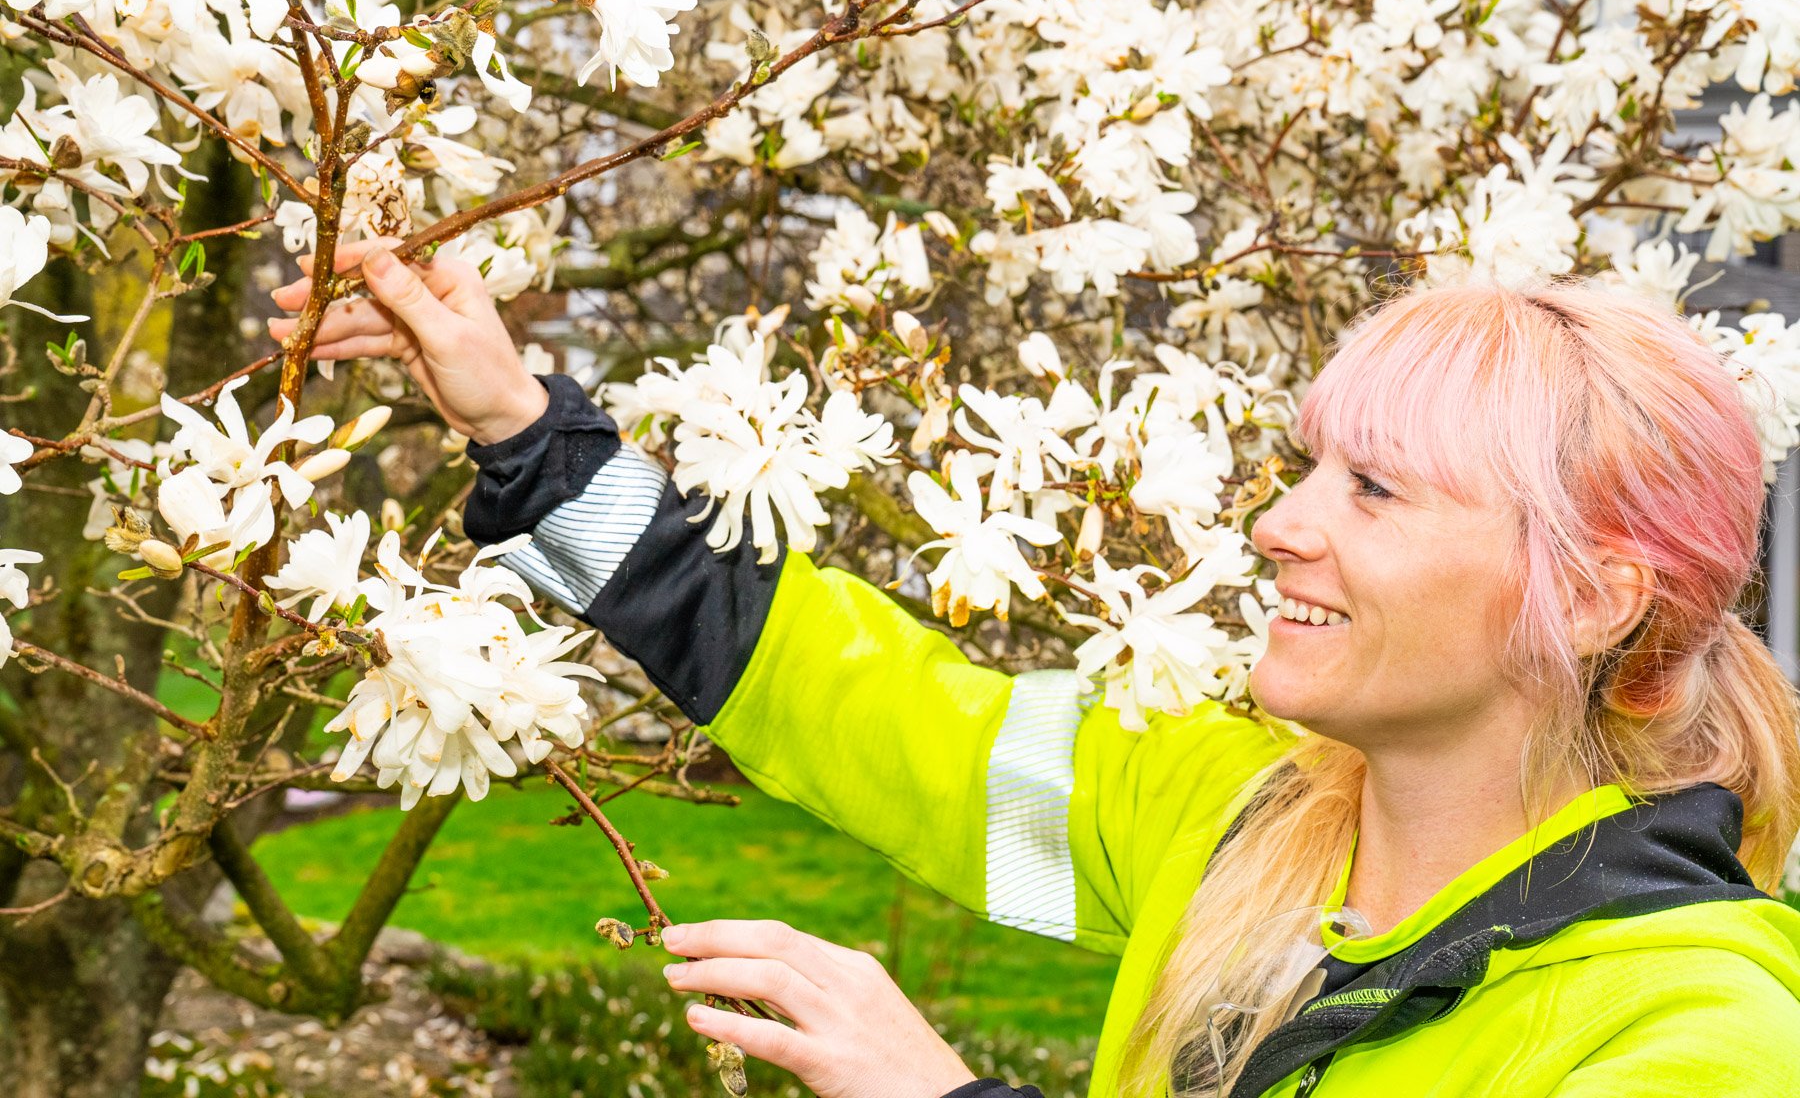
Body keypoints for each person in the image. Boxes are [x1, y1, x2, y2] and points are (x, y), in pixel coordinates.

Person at [271, 240, 1800, 1098]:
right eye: (1308, 468)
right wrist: (532, 438)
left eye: (1377, 493)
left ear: (1596, 598)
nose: (1276, 527)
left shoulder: (1695, 1038)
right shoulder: (1233, 833)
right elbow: (851, 699)